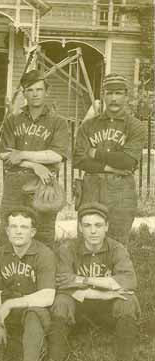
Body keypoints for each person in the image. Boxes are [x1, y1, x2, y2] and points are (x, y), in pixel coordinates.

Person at [47, 202, 140, 361]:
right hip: (78, 308)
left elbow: (129, 280)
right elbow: (62, 283)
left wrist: (84, 280)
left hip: (107, 309)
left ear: (106, 227)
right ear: (80, 228)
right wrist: (106, 290)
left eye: (98, 225)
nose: (93, 231)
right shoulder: (68, 249)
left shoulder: (117, 248)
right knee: (61, 301)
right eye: (87, 225)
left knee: (128, 300)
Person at [0, 69, 68, 248]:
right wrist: (35, 165)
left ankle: (41, 272)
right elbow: (4, 153)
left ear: (47, 91)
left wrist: (21, 154)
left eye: (39, 89)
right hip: (14, 183)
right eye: (30, 90)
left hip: (43, 185)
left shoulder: (58, 122)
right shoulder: (12, 120)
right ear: (24, 93)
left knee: (43, 232)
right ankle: (9, 272)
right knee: (10, 230)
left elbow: (56, 154)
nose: (35, 94)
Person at [0, 207, 56, 361]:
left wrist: (9, 304)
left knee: (33, 316)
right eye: (13, 227)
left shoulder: (44, 254)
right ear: (7, 231)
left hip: (38, 311)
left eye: (23, 227)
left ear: (32, 232)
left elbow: (47, 296)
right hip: (9, 313)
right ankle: (17, 352)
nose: (18, 231)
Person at [73, 73, 145, 245]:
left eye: (118, 93)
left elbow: (127, 162)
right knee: (87, 242)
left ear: (126, 96)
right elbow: (78, 159)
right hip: (91, 189)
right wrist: (110, 168)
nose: (113, 98)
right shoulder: (89, 125)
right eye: (109, 93)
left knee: (118, 242)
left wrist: (95, 153)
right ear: (103, 95)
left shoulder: (135, 126)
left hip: (121, 190)